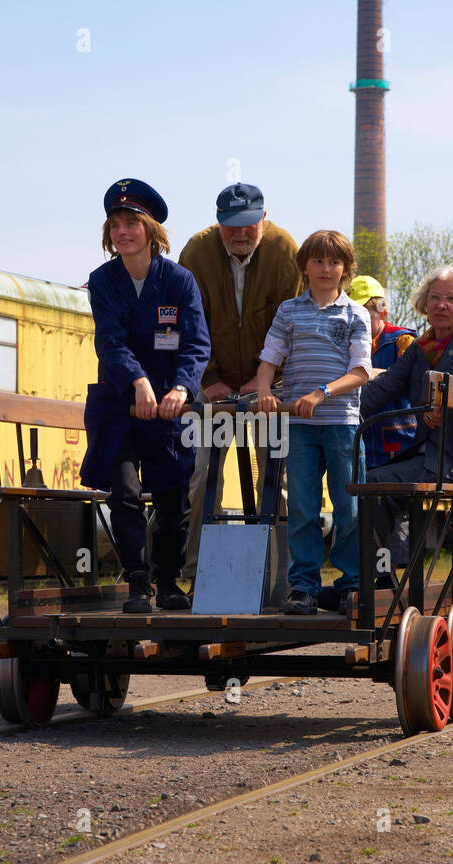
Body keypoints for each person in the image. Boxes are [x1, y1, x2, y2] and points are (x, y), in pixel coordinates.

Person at [80, 179, 210, 613]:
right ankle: (138, 583)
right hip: (119, 405)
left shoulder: (179, 281)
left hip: (169, 408)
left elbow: (195, 345)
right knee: (125, 491)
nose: (122, 232)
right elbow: (110, 343)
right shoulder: (102, 282)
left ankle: (168, 580)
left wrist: (181, 388)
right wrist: (137, 382)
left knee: (174, 495)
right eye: (115, 224)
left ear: (150, 229)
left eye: (131, 223)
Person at [177, 184, 300, 593]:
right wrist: (210, 379)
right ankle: (198, 577)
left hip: (269, 389)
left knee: (276, 482)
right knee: (200, 480)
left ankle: (280, 582)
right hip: (213, 388)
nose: (241, 234)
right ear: (218, 224)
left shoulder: (286, 251)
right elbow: (187, 324)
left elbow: (292, 324)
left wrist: (264, 378)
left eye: (249, 225)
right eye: (231, 227)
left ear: (264, 219)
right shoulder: (195, 253)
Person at [255, 230, 371, 615]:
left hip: (342, 422)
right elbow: (270, 358)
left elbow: (360, 371)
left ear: (346, 269)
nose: (326, 269)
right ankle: (302, 587)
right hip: (299, 426)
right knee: (303, 507)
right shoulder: (290, 310)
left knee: (348, 507)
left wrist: (322, 392)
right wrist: (263, 391)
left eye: (334, 262)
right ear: (305, 266)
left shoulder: (356, 314)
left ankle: (351, 583)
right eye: (318, 261)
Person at [359, 265, 453, 555]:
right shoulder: (420, 349)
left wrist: (445, 392)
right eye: (435, 298)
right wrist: (328, 403)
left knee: (374, 484)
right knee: (371, 479)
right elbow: (383, 388)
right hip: (433, 456)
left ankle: (386, 577)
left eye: (452, 299)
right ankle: (384, 577)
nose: (442, 305)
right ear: (425, 305)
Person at [350, 275, 418, 470]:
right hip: (360, 445)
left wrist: (372, 373)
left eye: (363, 315)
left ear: (382, 312)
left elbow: (415, 379)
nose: (355, 323)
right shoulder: (345, 347)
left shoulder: (403, 341)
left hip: (400, 444)